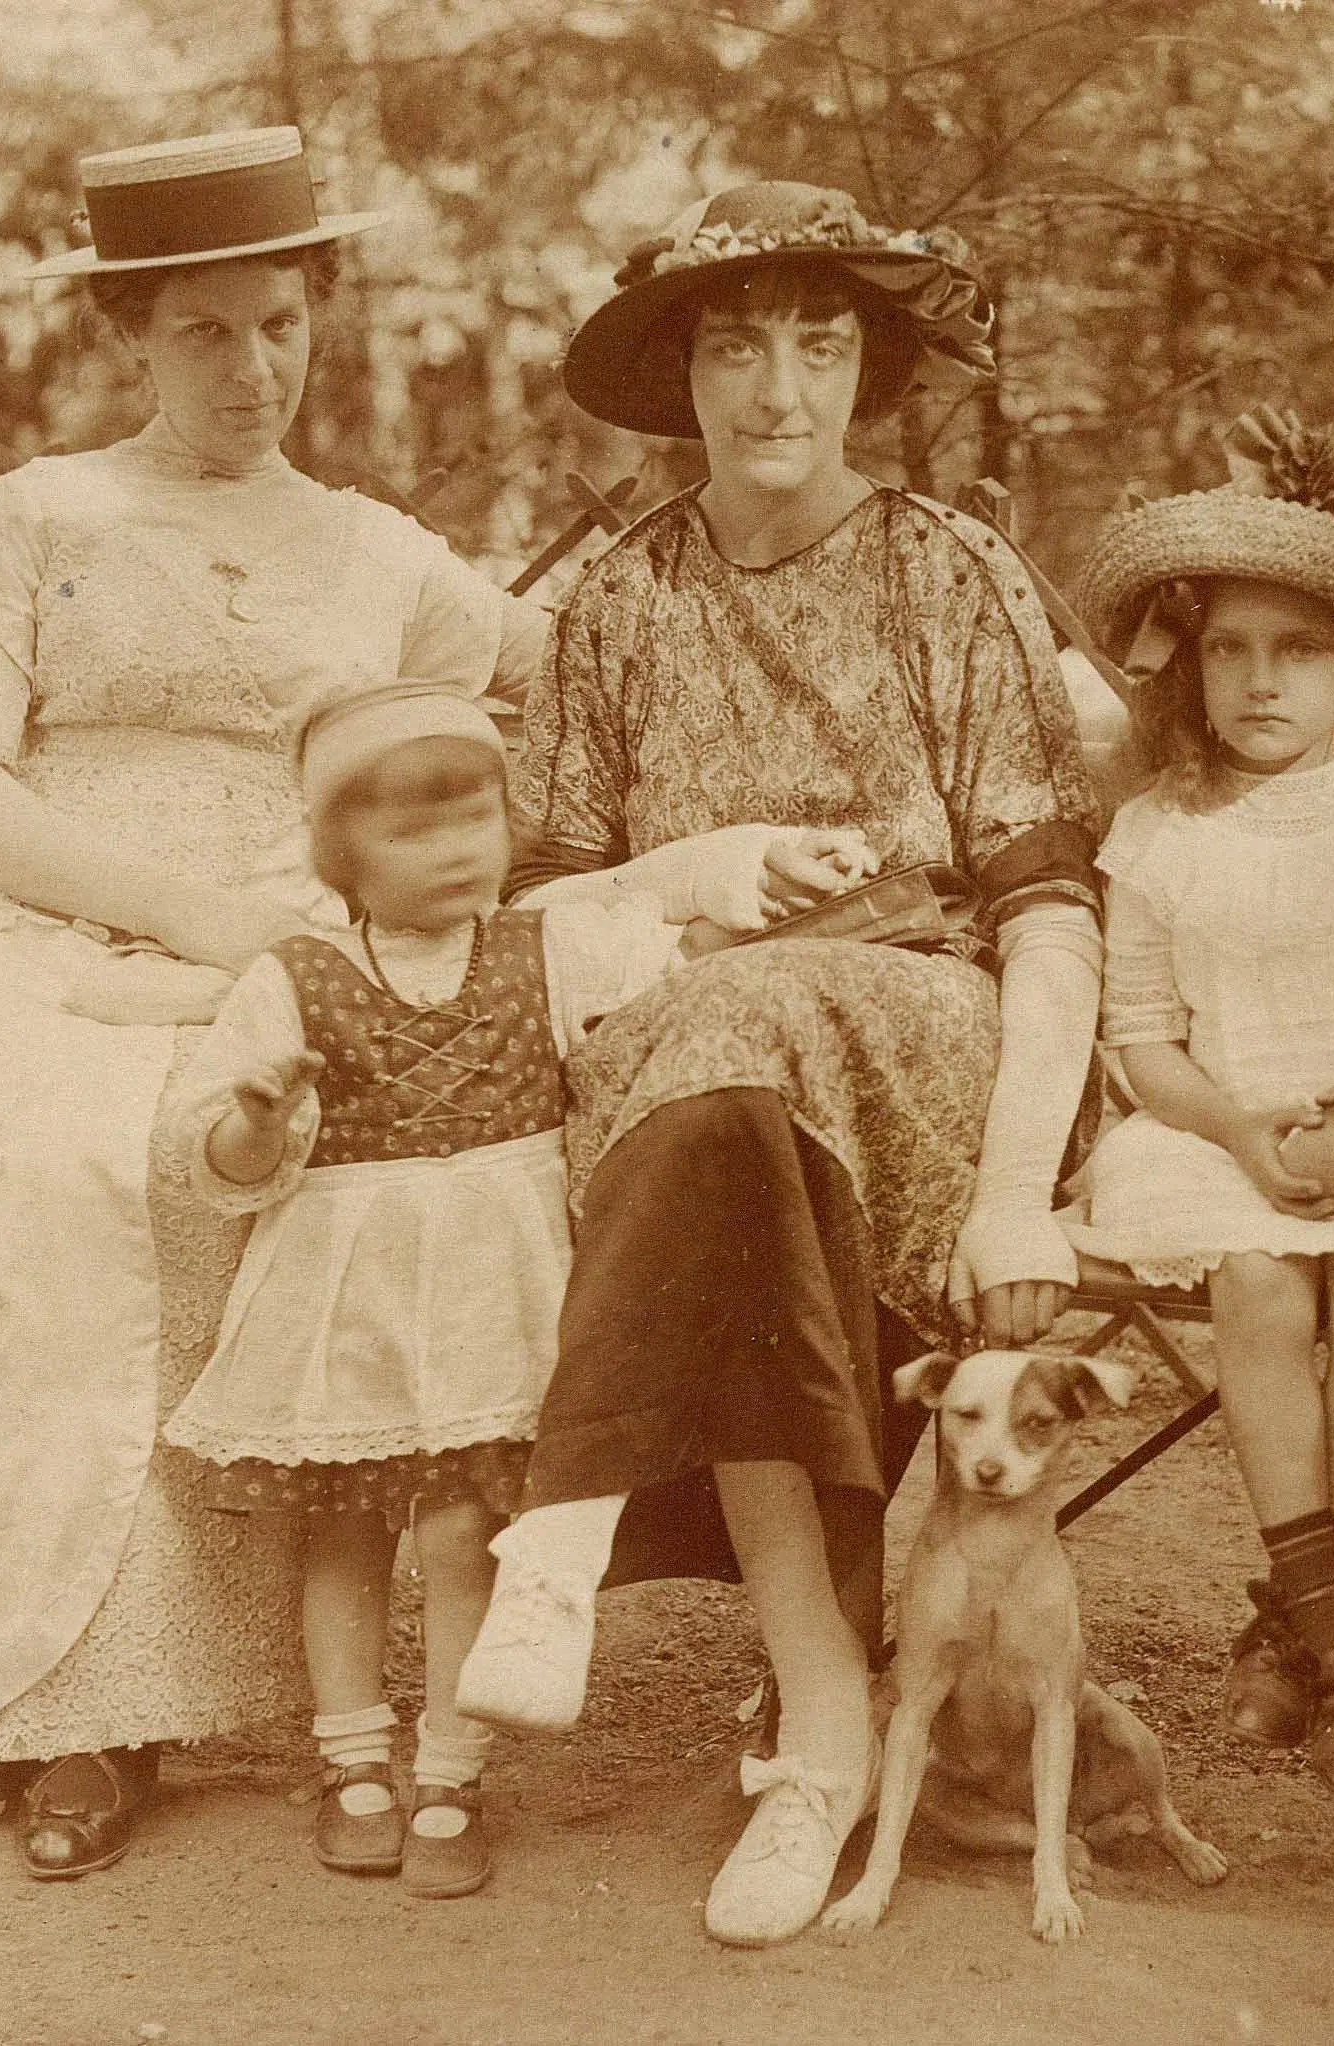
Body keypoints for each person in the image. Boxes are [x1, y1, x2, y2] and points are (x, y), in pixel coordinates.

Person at [0, 128, 549, 1880]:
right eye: (203, 331)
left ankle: (267, 1683)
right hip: (38, 924)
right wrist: (175, 909)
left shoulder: (376, 551)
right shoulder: (45, 513)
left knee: (228, 1156)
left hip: (280, 938)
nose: (251, 366)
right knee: (55, 1177)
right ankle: (82, 1710)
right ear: (129, 337)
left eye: (281, 323)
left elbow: (585, 658)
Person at [449, 182, 1106, 1950]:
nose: (779, 389)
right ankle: (824, 1713)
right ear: (682, 369)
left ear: (867, 373)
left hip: (928, 1050)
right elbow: (539, 912)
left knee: (746, 1043)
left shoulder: (951, 574)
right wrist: (684, 879)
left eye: (821, 344)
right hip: (692, 1075)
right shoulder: (615, 605)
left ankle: (560, 1531)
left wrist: (1019, 1191)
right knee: (724, 1080)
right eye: (739, 344)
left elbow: (1050, 912)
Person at [161, 687, 730, 1897]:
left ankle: (452, 1773)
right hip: (351, 1301)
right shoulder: (293, 977)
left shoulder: (548, 945)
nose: (462, 848)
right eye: (419, 832)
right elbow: (211, 1157)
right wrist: (260, 1120)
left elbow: (665, 1002)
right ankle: (353, 1759)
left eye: (479, 817)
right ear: (341, 854)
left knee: (469, 1528)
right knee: (346, 1528)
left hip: (500, 1291)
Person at [1062, 408, 1334, 1796]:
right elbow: (1141, 1041)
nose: (1257, 679)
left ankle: (1284, 1622)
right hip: (1204, 1128)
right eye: (1227, 647)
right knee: (1256, 1279)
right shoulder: (1159, 829)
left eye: (1295, 650)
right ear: (1189, 662)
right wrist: (1238, 1130)